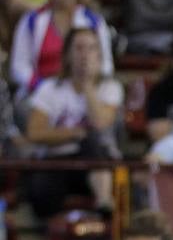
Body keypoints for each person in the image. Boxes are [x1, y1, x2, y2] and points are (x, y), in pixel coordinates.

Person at [22, 27, 122, 218]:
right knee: (39, 190)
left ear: (100, 55)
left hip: (96, 161)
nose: (85, 55)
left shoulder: (110, 88)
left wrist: (87, 86)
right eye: (79, 48)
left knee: (92, 140)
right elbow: (34, 133)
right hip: (58, 161)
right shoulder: (50, 89)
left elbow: (101, 123)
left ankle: (103, 201)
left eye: (91, 48)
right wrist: (76, 133)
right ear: (67, 54)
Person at [9, 0, 112, 97]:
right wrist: (42, 87)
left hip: (83, 93)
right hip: (39, 93)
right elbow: (18, 67)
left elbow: (106, 65)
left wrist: (85, 88)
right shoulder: (31, 20)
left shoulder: (94, 22)